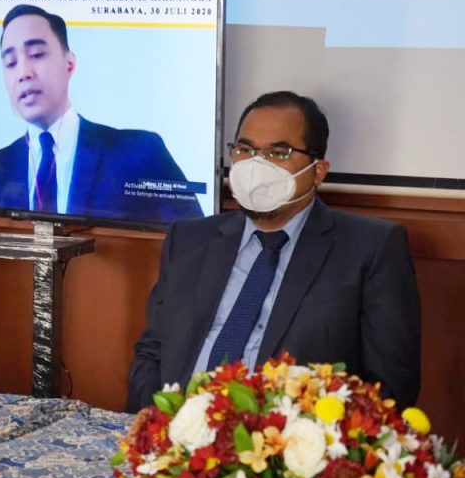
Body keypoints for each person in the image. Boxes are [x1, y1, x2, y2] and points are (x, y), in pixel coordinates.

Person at [126, 91, 420, 412]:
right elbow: (153, 351)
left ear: (318, 170)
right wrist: (155, 426)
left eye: (278, 153)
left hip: (283, 449)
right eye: (245, 149)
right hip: (175, 433)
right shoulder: (189, 239)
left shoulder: (370, 249)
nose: (255, 165)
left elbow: (390, 386)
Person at [0, 4, 203, 223]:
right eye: (10, 62)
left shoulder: (140, 152)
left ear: (69, 64)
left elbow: (193, 241)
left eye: (37, 54)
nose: (23, 72)